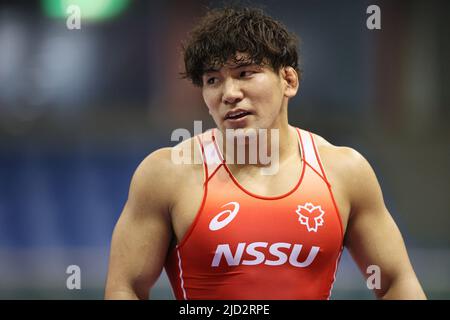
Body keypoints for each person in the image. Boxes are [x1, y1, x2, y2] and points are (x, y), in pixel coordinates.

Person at [104, 6, 426, 300]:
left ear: (288, 80)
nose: (229, 94)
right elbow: (125, 288)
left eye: (245, 74)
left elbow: (397, 281)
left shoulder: (345, 172)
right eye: (213, 80)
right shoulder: (167, 174)